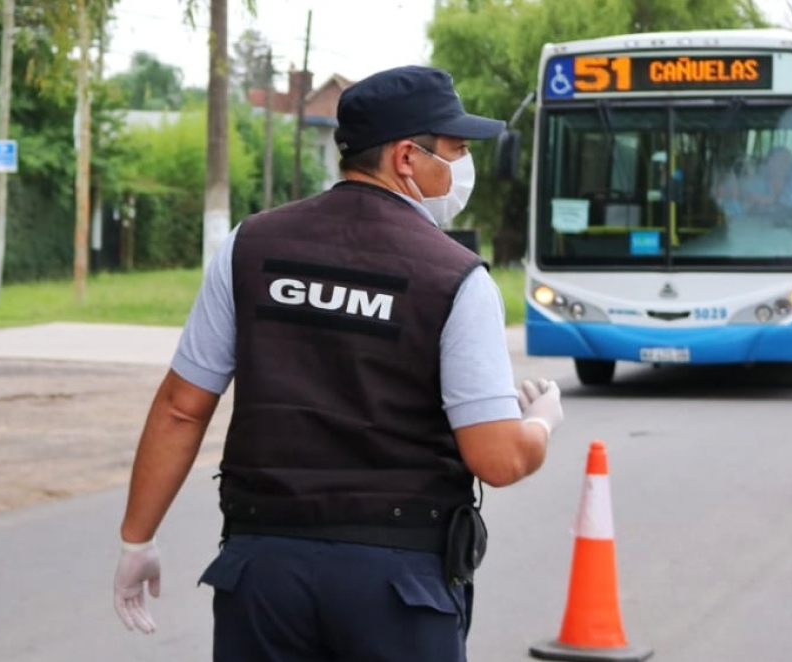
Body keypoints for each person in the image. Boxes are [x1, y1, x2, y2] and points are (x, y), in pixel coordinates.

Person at [111, 64, 565, 662]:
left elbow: (180, 408)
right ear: (407, 157)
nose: (461, 167)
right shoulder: (453, 276)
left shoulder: (250, 245)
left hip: (262, 575)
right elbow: (499, 458)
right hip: (396, 586)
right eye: (454, 150)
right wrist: (540, 423)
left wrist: (136, 539)